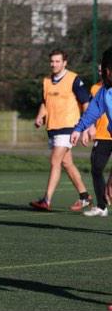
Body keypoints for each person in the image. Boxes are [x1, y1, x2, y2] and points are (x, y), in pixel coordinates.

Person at [30, 48, 92, 212]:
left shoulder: (74, 79)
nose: (54, 64)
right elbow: (45, 103)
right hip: (53, 128)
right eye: (52, 61)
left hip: (69, 127)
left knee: (55, 161)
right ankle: (85, 196)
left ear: (65, 63)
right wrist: (40, 116)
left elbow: (86, 103)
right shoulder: (46, 81)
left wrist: (86, 127)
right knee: (66, 163)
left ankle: (46, 200)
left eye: (58, 61)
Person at [81, 66, 112, 217]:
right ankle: (101, 206)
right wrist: (88, 128)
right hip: (102, 136)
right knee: (96, 168)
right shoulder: (95, 89)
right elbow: (91, 111)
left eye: (104, 69)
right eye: (99, 70)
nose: (102, 72)